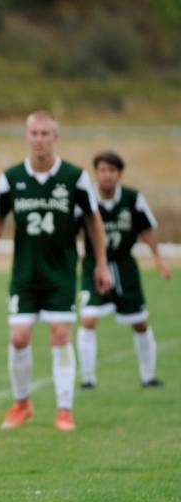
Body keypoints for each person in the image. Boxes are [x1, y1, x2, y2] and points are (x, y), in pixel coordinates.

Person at [0, 111, 111, 432]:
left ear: (55, 137)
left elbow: (94, 220)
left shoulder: (73, 177)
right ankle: (22, 403)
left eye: (45, 133)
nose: (39, 139)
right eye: (34, 133)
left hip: (61, 273)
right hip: (25, 273)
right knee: (19, 338)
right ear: (27, 136)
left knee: (60, 334)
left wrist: (101, 263)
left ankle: (65, 409)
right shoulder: (10, 178)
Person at [77, 150, 169, 389]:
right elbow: (71, 230)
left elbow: (146, 230)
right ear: (95, 173)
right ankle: (88, 379)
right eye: (101, 170)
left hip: (125, 268)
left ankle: (148, 377)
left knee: (140, 323)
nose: (106, 175)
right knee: (88, 320)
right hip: (94, 267)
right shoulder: (85, 199)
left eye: (111, 170)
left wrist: (158, 258)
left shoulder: (132, 198)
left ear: (119, 174)